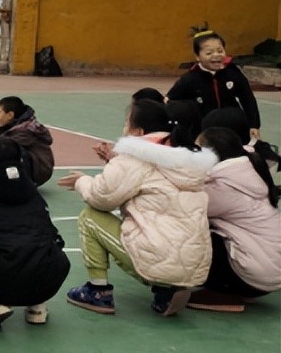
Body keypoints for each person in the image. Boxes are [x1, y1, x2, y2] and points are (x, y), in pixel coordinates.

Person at [59, 100, 217, 317]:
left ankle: (97, 291)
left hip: (158, 257)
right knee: (164, 225)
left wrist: (81, 181)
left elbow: (101, 196)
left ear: (139, 131)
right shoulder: (187, 158)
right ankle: (166, 291)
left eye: (126, 123)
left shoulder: (135, 157)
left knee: (90, 216)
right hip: (194, 263)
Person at [0, 137, 70, 327]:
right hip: (45, 280)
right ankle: (37, 305)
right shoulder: (36, 198)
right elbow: (53, 236)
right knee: (47, 244)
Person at [187, 127, 280, 311]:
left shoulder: (223, 188)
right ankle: (236, 288)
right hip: (270, 271)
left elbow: (183, 207)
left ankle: (225, 291)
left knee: (186, 231)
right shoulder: (247, 174)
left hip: (258, 274)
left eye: (197, 150)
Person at [167, 29, 262, 141]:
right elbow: (171, 100)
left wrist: (254, 124)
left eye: (220, 51)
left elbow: (247, 98)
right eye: (209, 53)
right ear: (197, 56)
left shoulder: (233, 72)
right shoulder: (190, 78)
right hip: (203, 132)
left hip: (231, 127)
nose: (216, 55)